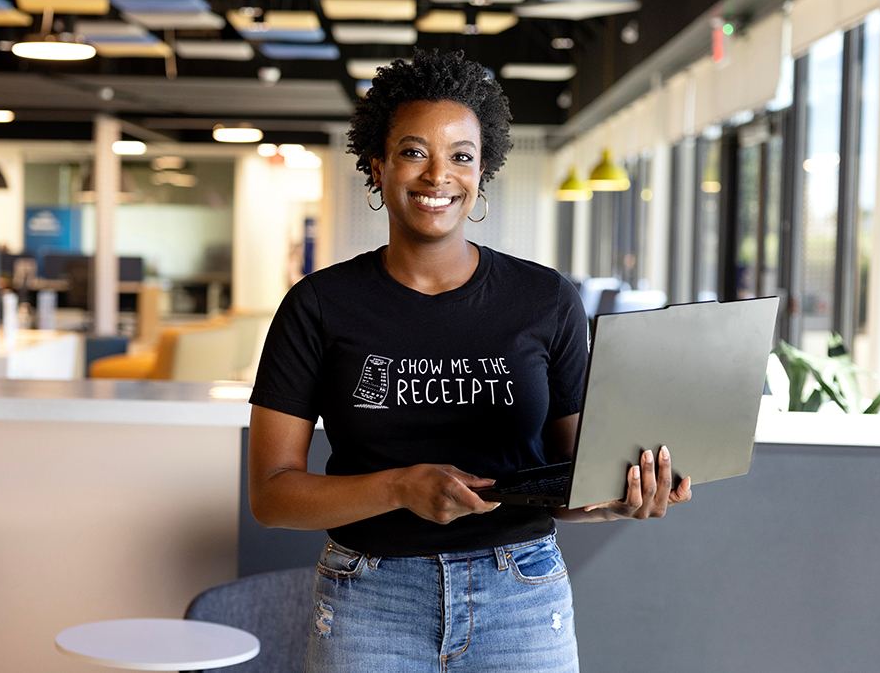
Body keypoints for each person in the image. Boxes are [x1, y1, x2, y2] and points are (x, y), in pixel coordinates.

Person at [248, 49, 692, 672]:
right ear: (376, 167)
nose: (438, 175)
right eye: (412, 151)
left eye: (461, 155)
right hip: (370, 599)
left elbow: (567, 481)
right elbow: (272, 496)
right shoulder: (319, 306)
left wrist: (615, 500)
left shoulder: (546, 300)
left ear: (482, 172)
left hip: (521, 595)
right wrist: (401, 488)